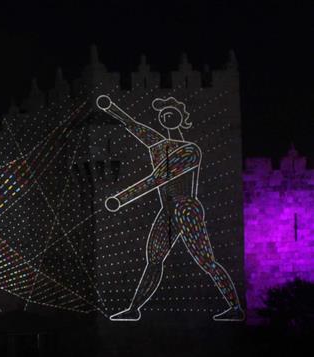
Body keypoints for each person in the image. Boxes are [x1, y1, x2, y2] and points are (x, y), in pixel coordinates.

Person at [95, 94, 244, 322]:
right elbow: (135, 127)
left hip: (186, 209)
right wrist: (112, 109)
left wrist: (122, 198)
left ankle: (234, 306)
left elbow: (159, 177)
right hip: (167, 211)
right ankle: (134, 308)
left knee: (205, 260)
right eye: (163, 114)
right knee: (154, 259)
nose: (166, 116)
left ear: (180, 119)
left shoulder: (189, 150)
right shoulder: (158, 146)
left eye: (171, 113)